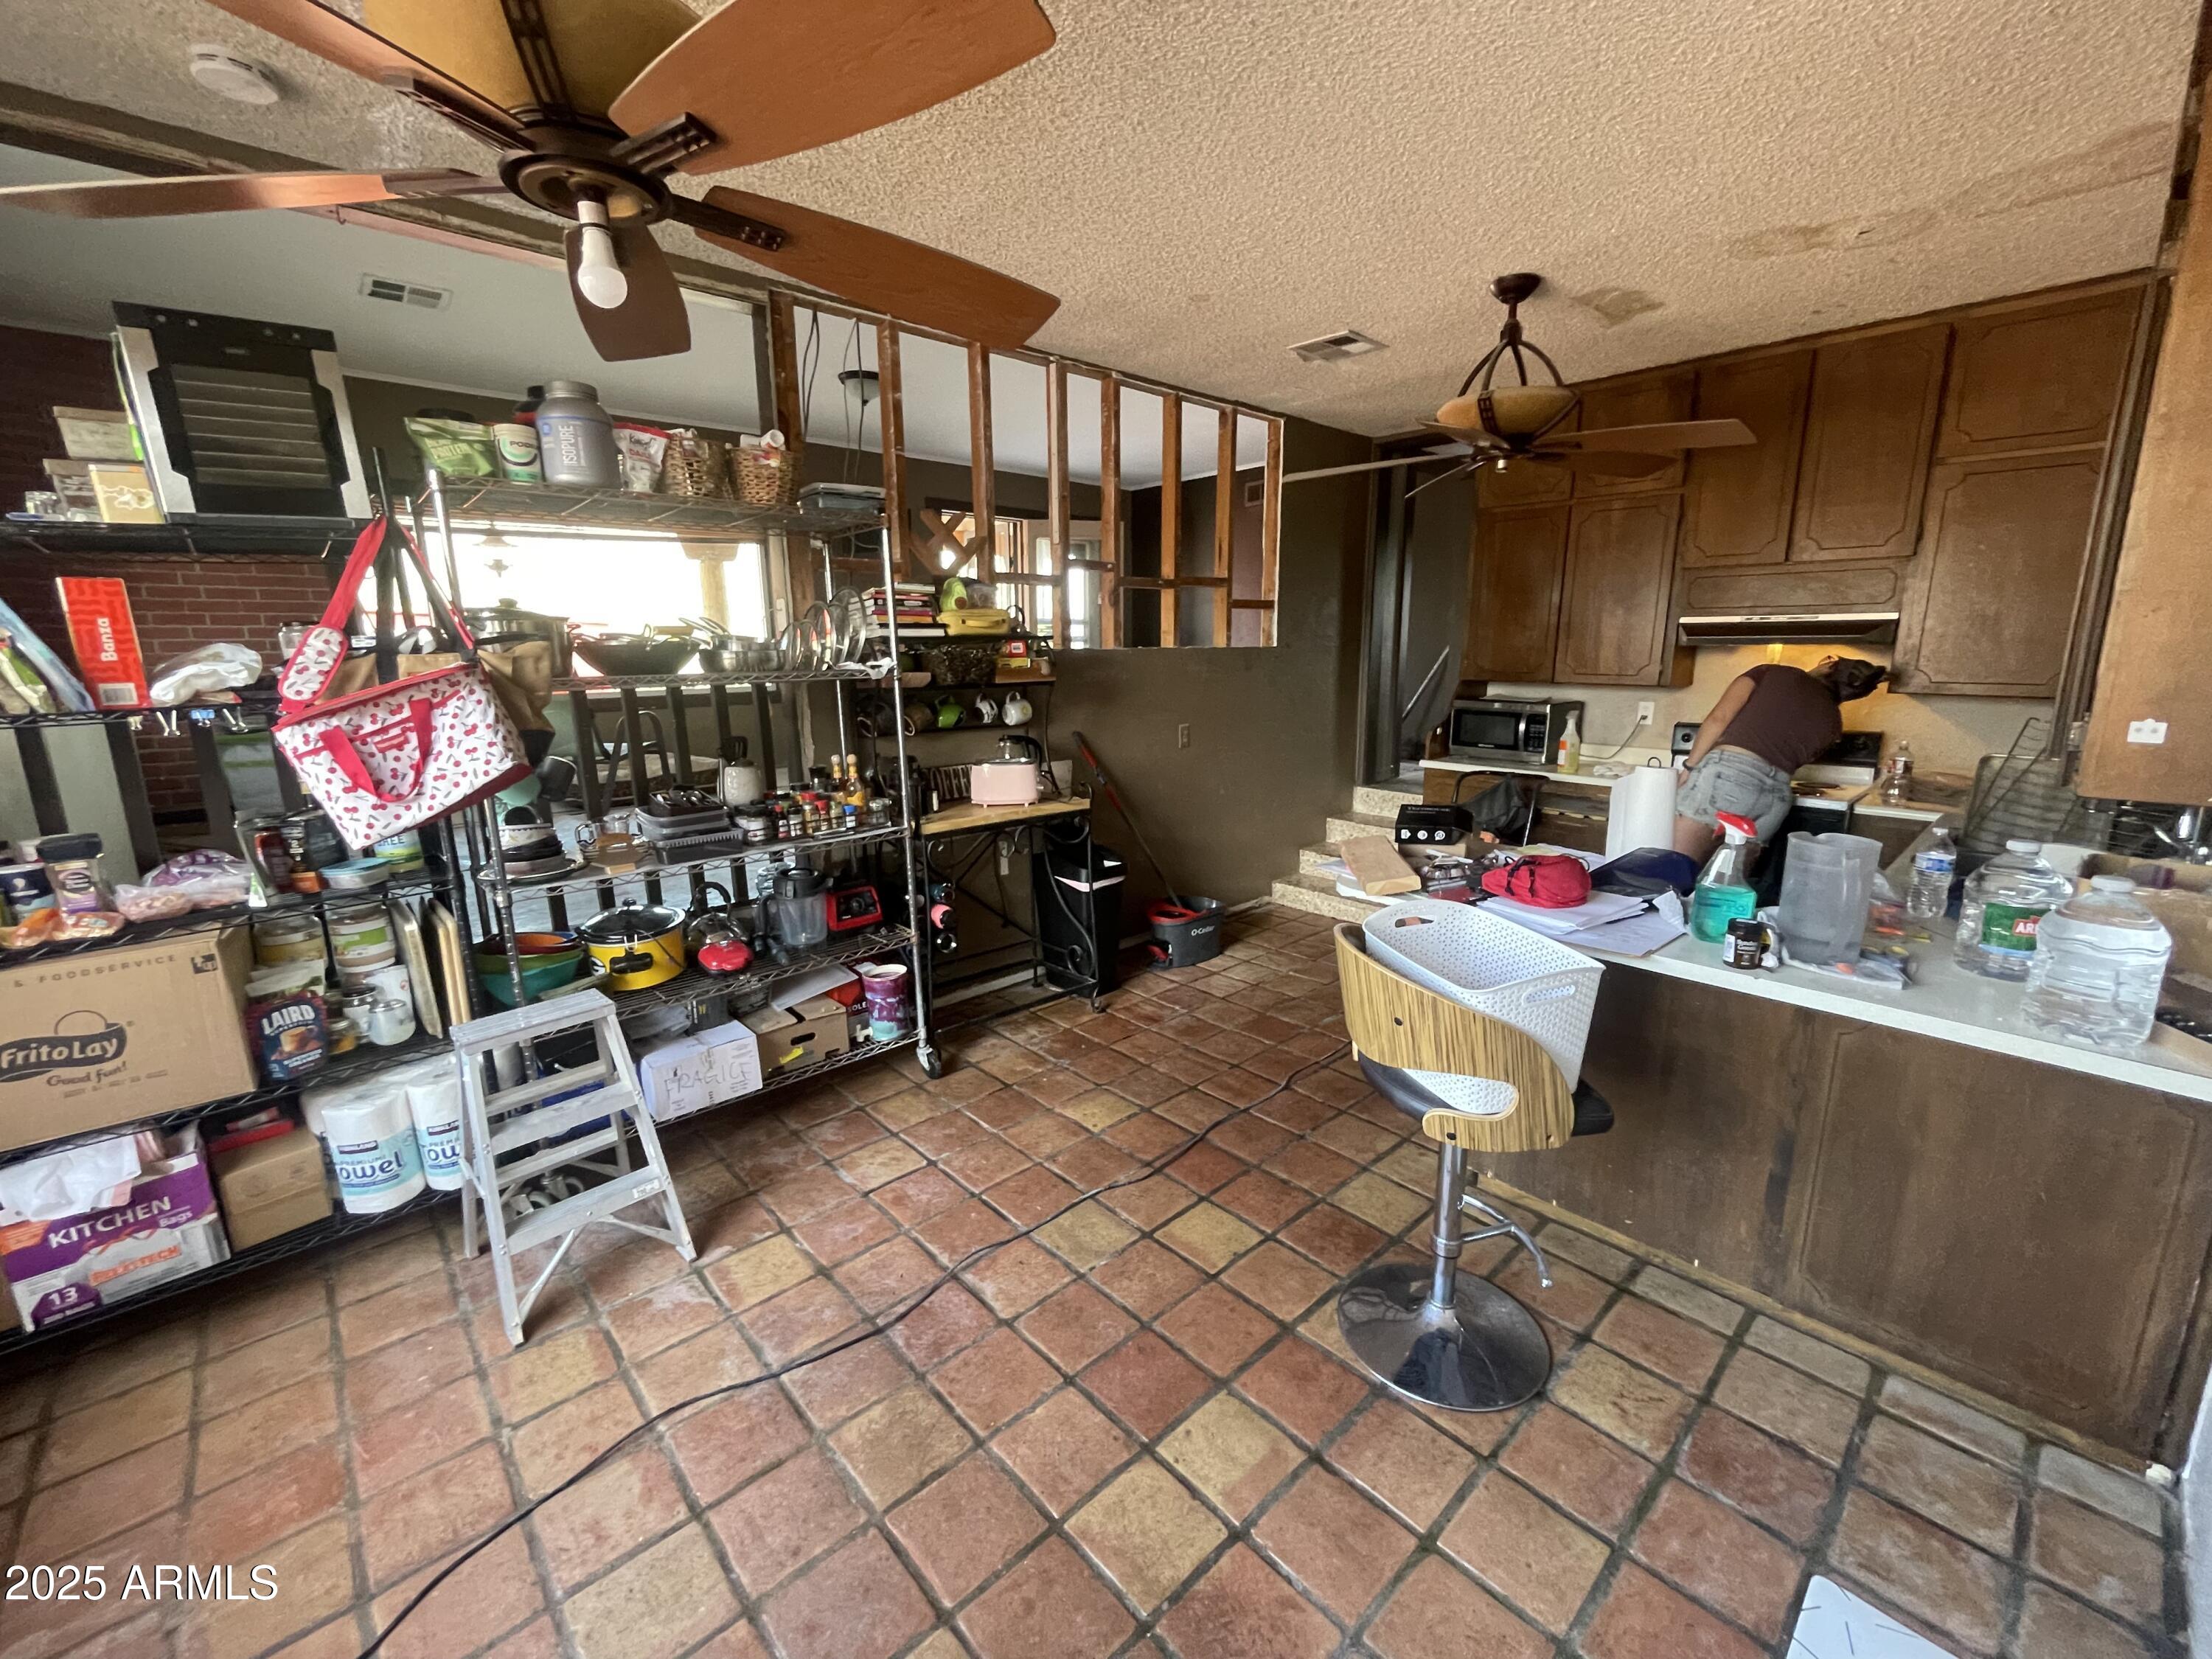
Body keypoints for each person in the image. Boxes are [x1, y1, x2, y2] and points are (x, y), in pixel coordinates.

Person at [1672, 656, 1887, 858]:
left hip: (1726, 778)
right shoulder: (1834, 724)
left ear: (1829, 667)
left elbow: (1719, 719)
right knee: (1728, 887)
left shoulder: (1770, 672)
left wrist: (1689, 768)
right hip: (1775, 799)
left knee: (1671, 870)